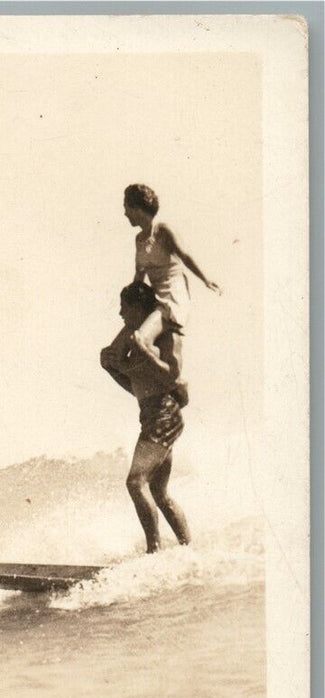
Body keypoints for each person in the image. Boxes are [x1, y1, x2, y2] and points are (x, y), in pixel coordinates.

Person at [100, 281, 192, 554]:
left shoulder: (168, 337)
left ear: (139, 308)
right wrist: (113, 370)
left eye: (124, 307)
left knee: (135, 482)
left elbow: (173, 378)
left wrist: (145, 355)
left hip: (164, 414)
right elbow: (137, 389)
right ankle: (188, 550)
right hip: (152, 414)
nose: (120, 314)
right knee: (159, 492)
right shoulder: (135, 344)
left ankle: (154, 551)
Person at [122, 183, 222, 353]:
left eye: (127, 208)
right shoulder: (139, 239)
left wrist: (206, 279)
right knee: (112, 356)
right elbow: (139, 276)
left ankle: (169, 378)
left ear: (137, 209)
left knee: (139, 341)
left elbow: (185, 255)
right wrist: (130, 303)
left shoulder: (162, 230)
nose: (125, 213)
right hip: (154, 299)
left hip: (172, 299)